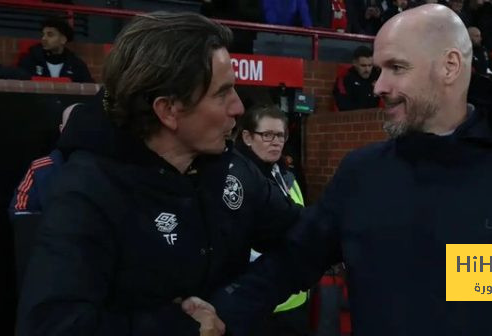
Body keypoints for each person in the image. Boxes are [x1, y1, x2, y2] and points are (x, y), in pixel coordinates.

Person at [208, 4, 492, 336]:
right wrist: (212, 315)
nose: (379, 85)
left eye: (396, 68)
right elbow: (292, 262)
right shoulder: (362, 173)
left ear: (450, 66)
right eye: (379, 68)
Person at [16, 12, 301, 336]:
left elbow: (302, 235)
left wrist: (237, 302)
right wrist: (176, 327)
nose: (238, 107)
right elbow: (51, 327)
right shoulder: (88, 192)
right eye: (222, 93)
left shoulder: (231, 167)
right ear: (168, 110)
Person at [236, 104, 309, 336]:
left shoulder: (286, 175)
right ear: (247, 137)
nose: (276, 141)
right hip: (259, 301)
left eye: (280, 135)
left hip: (294, 299)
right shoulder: (237, 181)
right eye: (267, 135)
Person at [9, 103, 81, 216]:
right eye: (71, 125)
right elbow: (20, 211)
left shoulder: (103, 167)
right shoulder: (40, 169)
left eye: (81, 126)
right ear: (61, 129)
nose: (76, 131)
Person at [18, 17, 93, 82]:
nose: (44, 38)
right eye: (43, 35)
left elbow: (90, 89)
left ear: (63, 39)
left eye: (50, 35)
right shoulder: (30, 60)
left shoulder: (77, 65)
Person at [333, 45, 380, 111]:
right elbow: (343, 105)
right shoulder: (345, 78)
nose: (367, 69)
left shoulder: (377, 76)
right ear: (354, 63)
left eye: (370, 65)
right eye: (363, 65)